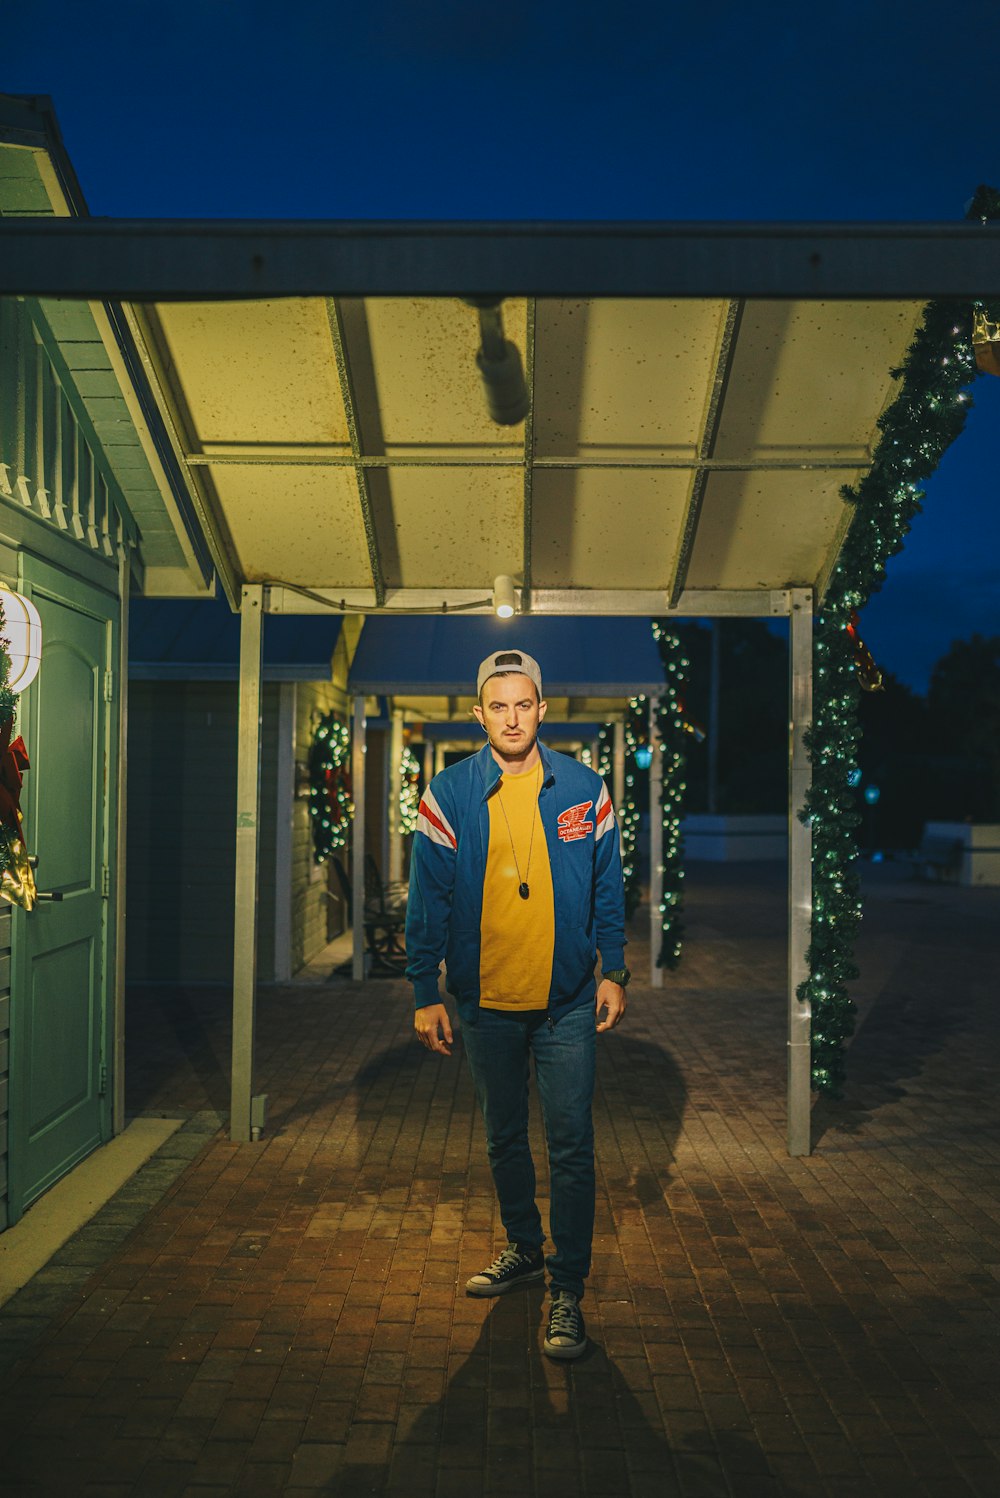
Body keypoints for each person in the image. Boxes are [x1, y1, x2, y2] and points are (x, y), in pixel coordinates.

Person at [405, 646, 629, 1360]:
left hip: (566, 1004)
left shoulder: (586, 789)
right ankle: (524, 1250)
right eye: (497, 706)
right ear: (479, 715)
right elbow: (428, 900)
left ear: (541, 708)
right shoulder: (448, 793)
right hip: (484, 1003)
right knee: (504, 1137)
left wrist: (614, 968)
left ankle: (567, 1289)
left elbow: (608, 888)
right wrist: (423, 991)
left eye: (522, 704)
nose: (511, 717)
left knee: (571, 1146)